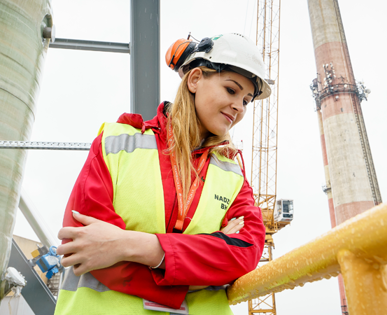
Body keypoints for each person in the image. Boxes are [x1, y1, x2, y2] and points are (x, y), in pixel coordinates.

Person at [53, 33, 270, 315]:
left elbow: (245, 251)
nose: (239, 107)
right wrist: (199, 272)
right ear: (194, 80)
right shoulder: (117, 142)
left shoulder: (232, 174)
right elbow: (84, 245)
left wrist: (129, 244)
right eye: (231, 90)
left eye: (247, 100)